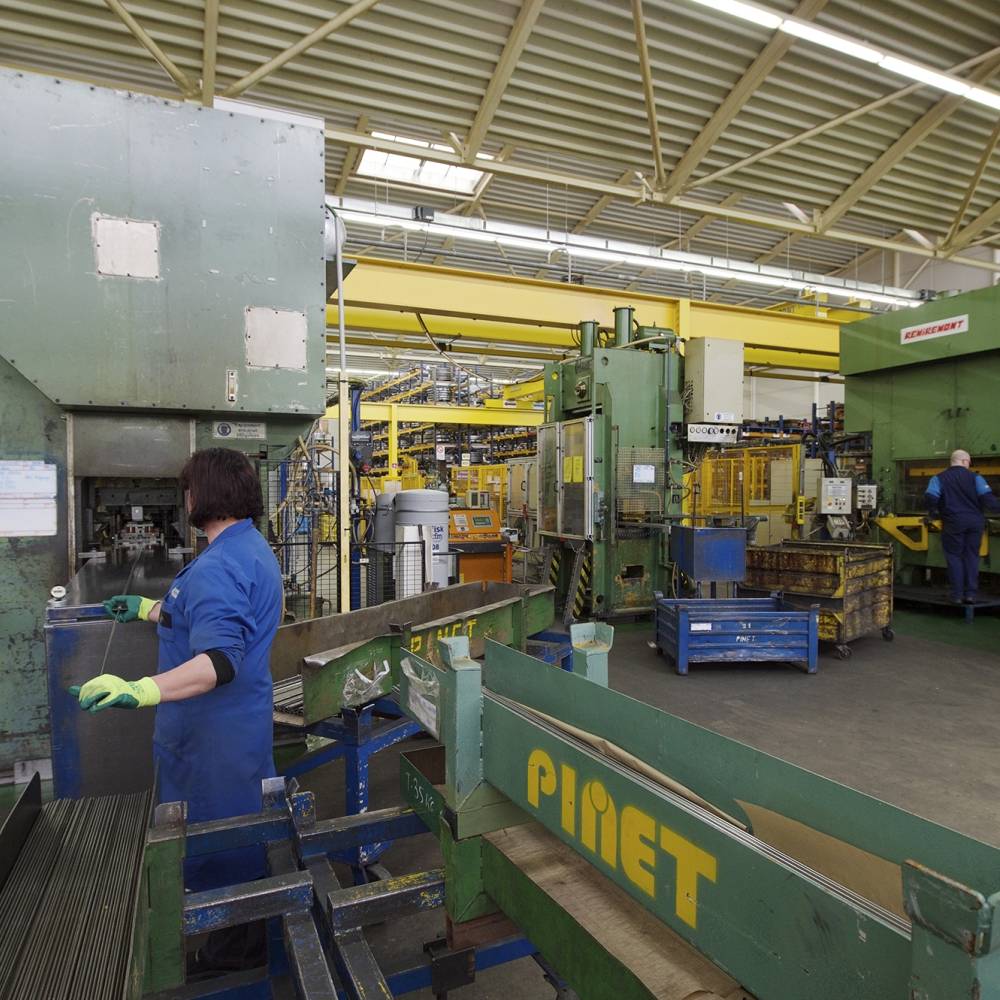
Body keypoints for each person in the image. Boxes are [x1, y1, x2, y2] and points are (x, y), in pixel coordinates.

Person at [71, 447, 282, 971]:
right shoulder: (250, 549)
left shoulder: (218, 566)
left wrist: (141, 688)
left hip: (211, 739)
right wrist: (149, 609)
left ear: (202, 496)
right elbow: (206, 615)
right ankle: (248, 932)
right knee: (245, 828)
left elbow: (217, 660)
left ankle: (234, 949)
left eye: (188, 489)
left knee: (219, 844)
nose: (184, 498)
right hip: (240, 731)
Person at [925, 449, 1000, 604]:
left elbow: (930, 497)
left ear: (952, 461)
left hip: (953, 522)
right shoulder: (976, 478)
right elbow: (988, 500)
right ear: (965, 461)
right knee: (972, 556)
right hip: (975, 522)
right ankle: (971, 594)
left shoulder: (938, 478)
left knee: (954, 557)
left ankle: (957, 595)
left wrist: (935, 513)